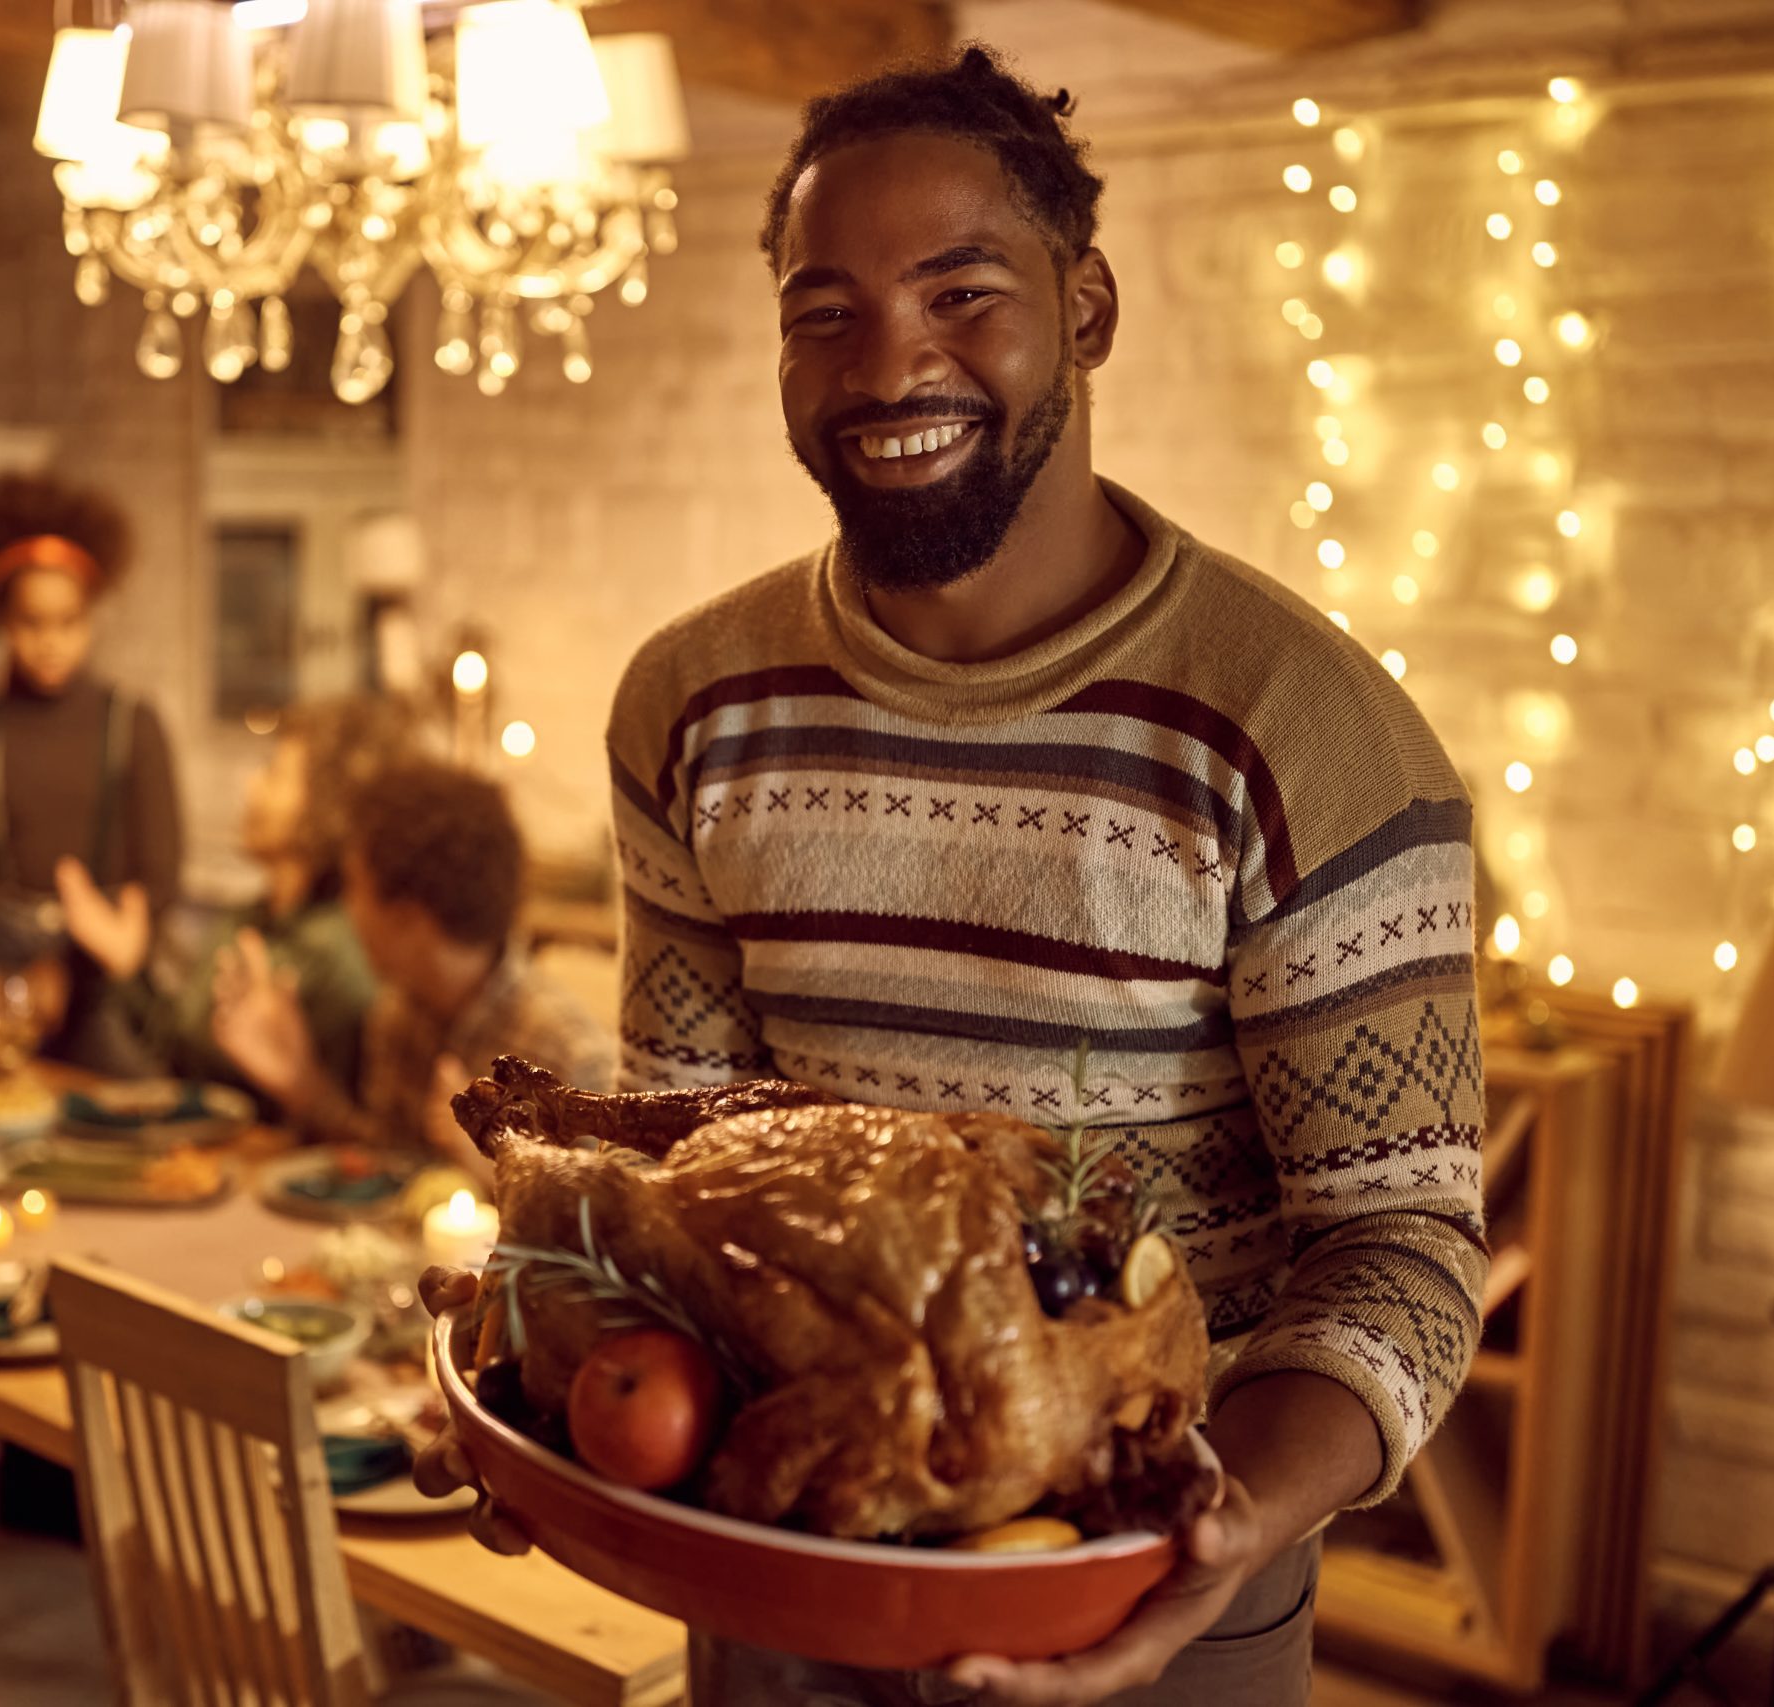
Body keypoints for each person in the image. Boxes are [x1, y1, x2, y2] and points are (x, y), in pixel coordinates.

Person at [418, 48, 1488, 1707]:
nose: (887, 360)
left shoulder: (1309, 734)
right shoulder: (694, 704)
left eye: (960, 289)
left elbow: (1403, 1244)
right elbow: (689, 1156)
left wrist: (1222, 1526)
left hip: (1145, 1594)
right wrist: (553, 1385)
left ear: (1092, 307)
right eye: (822, 309)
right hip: (782, 1557)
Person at [64, 759, 614, 1168]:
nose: (346, 909)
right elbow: (383, 1163)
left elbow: (605, 1244)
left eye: (355, 888)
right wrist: (302, 1084)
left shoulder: (567, 1053)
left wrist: (484, 1164)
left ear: (407, 919)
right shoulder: (400, 1014)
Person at [56, 697, 418, 1113]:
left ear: (329, 803)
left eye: (275, 773)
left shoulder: (343, 953)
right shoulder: (249, 918)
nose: (252, 785)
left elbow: (343, 1132)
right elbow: (183, 1058)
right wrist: (128, 968)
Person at [0, 470, 182, 1073]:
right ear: (3, 622)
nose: (50, 643)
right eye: (31, 623)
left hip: (103, 978)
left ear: (91, 618)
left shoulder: (132, 724)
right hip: (4, 973)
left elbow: (160, 879)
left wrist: (71, 969)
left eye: (68, 622)